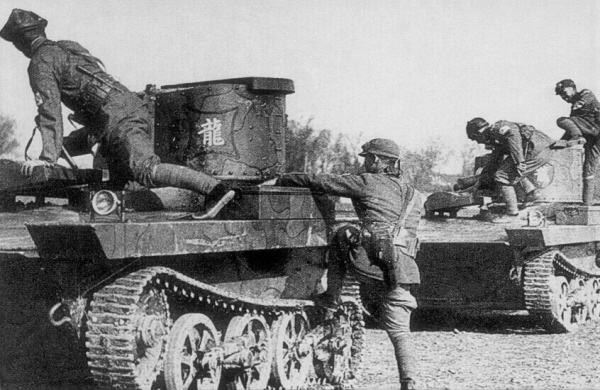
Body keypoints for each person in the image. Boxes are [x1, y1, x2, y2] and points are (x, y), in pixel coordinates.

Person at [0, 9, 230, 200]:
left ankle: (217, 190)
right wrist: (61, 148)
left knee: (144, 170)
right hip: (120, 113)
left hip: (117, 119)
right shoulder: (66, 48)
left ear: (21, 42)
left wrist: (47, 159)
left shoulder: (40, 62)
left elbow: (49, 111)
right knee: (115, 177)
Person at [271, 138, 422, 390]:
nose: (365, 162)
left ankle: (331, 297)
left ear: (376, 160)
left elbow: (318, 180)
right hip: (403, 269)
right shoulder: (415, 195)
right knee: (400, 332)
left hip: (372, 264)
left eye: (367, 158)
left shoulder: (367, 181)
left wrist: (281, 180)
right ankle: (410, 383)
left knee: (343, 233)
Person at [466, 118, 554, 223]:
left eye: (475, 138)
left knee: (502, 176)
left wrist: (519, 162)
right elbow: (494, 160)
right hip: (533, 150)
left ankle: (512, 214)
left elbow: (515, 138)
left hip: (536, 150)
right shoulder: (493, 135)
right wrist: (481, 179)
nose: (478, 142)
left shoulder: (499, 128)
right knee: (508, 172)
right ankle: (532, 194)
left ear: (478, 133)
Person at [555, 79, 600, 204]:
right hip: (594, 136)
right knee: (588, 169)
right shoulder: (576, 105)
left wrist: (576, 137)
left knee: (561, 120)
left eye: (564, 92)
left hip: (595, 130)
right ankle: (587, 203)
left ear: (572, 88)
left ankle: (579, 138)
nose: (564, 97)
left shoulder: (585, 95)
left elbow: (572, 123)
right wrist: (560, 143)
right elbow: (573, 126)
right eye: (561, 95)